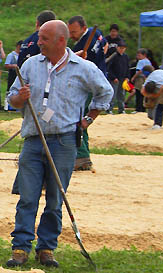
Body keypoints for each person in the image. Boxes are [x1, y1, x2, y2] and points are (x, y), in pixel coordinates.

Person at [6, 20, 112, 268]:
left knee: (55, 199)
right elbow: (12, 98)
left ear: (60, 41)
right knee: (27, 198)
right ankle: (20, 247)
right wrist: (19, 98)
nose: (38, 42)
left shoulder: (83, 68)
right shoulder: (31, 64)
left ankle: (46, 248)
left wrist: (87, 120)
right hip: (33, 140)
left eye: (43, 38)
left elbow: (105, 92)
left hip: (64, 142)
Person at [68, 15, 107, 171]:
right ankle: (82, 155)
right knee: (80, 117)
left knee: (77, 118)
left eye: (74, 32)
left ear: (84, 29)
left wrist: (81, 58)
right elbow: (104, 44)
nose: (71, 35)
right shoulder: (95, 34)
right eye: (70, 32)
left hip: (89, 85)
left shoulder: (87, 42)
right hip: (95, 81)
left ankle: (82, 156)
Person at [142, 59, 163, 129]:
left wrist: (151, 96)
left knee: (160, 106)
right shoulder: (160, 71)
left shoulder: (149, 78)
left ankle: (157, 124)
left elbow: (142, 91)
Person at [106, 41, 129, 114]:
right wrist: (113, 77)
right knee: (113, 94)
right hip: (114, 78)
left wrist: (127, 77)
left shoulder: (125, 57)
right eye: (120, 48)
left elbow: (128, 67)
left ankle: (121, 109)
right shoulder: (114, 56)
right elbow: (109, 68)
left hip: (122, 78)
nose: (121, 49)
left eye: (123, 48)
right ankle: (109, 109)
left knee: (121, 94)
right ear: (117, 48)